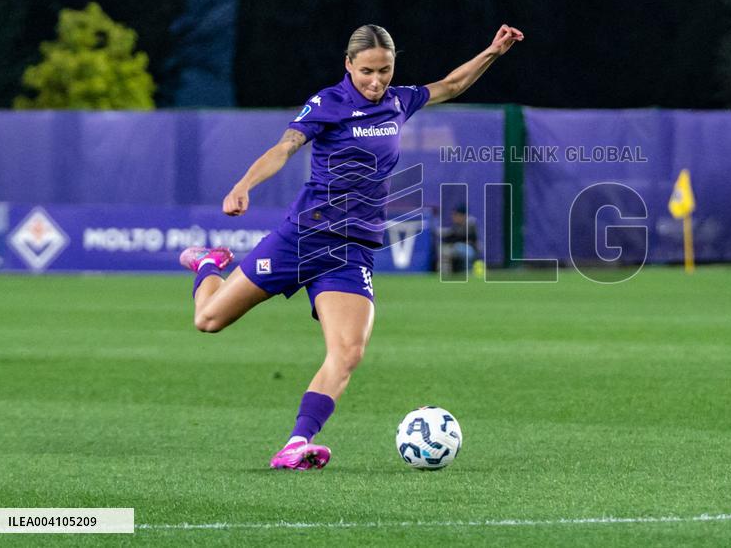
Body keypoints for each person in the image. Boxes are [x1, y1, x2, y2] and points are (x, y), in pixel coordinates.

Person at [178, 23, 524, 470]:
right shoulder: (329, 103)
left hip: (352, 249)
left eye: (384, 70)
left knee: (349, 352)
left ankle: (296, 443)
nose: (376, 81)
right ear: (348, 65)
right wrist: (244, 185)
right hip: (305, 236)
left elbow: (453, 84)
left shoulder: (399, 100)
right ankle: (209, 265)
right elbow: (285, 146)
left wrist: (493, 51)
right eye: (366, 72)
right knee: (209, 320)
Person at [439, 204, 480, 273]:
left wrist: (451, 235)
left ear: (463, 215)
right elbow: (450, 237)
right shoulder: (456, 225)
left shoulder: (470, 223)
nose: (454, 217)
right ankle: (445, 272)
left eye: (456, 215)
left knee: (464, 250)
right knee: (444, 249)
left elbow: (461, 236)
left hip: (471, 249)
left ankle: (468, 272)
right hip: (459, 248)